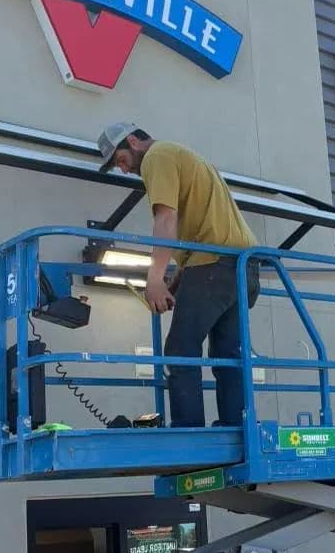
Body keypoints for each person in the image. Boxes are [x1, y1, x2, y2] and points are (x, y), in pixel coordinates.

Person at [96, 122, 259, 428]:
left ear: (133, 141)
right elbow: (201, 231)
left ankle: (189, 429)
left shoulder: (157, 156)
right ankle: (238, 425)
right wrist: (177, 279)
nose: (123, 169)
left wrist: (154, 278)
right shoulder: (183, 156)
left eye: (121, 160)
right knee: (228, 354)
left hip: (213, 266)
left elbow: (166, 217)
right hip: (242, 267)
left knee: (180, 350)